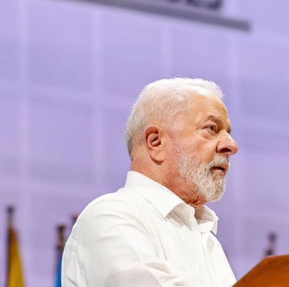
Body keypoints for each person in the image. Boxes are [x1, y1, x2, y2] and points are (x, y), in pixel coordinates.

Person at [62, 77, 239, 287]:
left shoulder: (209, 241)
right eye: (211, 128)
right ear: (156, 142)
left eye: (228, 133)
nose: (231, 145)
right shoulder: (110, 216)